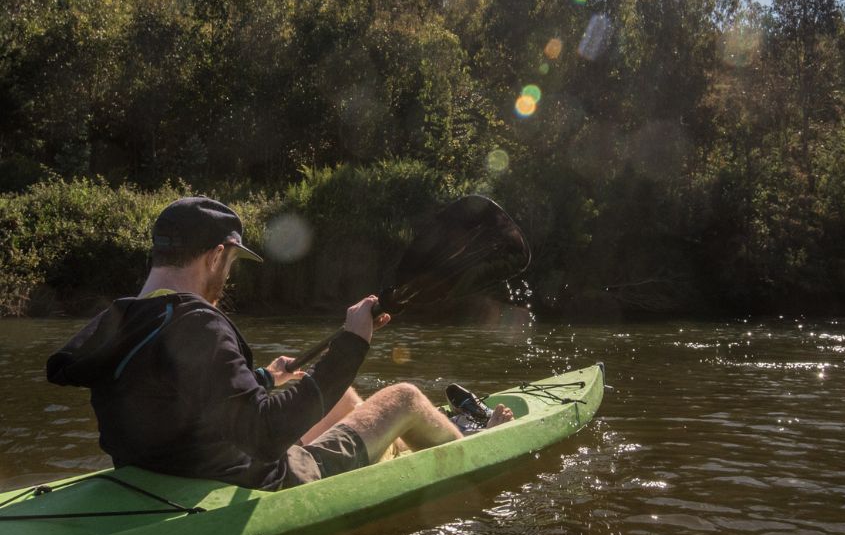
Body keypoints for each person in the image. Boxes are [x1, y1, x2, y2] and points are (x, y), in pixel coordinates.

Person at [46, 196, 512, 490]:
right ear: (215, 256)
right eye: (230, 263)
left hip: (175, 466)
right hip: (260, 476)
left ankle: (393, 452)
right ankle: (478, 444)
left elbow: (176, 393)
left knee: (340, 394)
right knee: (405, 396)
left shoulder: (124, 318)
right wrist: (352, 343)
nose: (227, 276)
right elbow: (265, 437)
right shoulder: (199, 324)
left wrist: (266, 378)